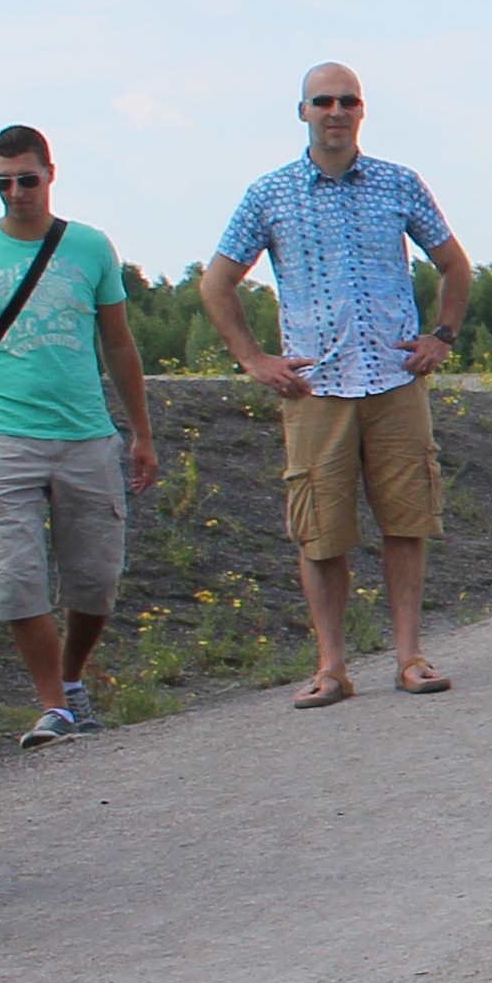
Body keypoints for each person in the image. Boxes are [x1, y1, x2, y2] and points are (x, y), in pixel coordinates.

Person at [202, 63, 472, 707]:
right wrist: (253, 359)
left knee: (406, 521)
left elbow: (454, 264)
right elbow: (217, 282)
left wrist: (442, 336)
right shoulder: (269, 194)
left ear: (361, 110)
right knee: (320, 530)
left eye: (347, 100)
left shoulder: (398, 183)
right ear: (302, 112)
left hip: (394, 380)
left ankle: (410, 657)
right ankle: (331, 666)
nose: (336, 111)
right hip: (315, 387)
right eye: (322, 101)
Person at [0, 127, 155, 747]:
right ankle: (53, 705)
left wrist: (140, 431)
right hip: (3, 434)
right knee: (16, 577)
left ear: (49, 174)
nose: (16, 193)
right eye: (2, 183)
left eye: (26, 179)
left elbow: (118, 344)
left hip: (85, 433)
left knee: (96, 577)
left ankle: (72, 678)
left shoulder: (89, 247)